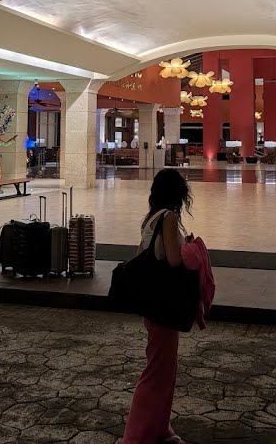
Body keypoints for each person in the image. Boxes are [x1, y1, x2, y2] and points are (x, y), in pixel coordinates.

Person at [123, 169, 194, 444]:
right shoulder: (169, 218)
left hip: (152, 303)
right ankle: (136, 435)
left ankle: (161, 428)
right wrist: (191, 249)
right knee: (157, 371)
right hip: (165, 304)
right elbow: (175, 261)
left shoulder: (151, 217)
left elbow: (142, 254)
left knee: (166, 369)